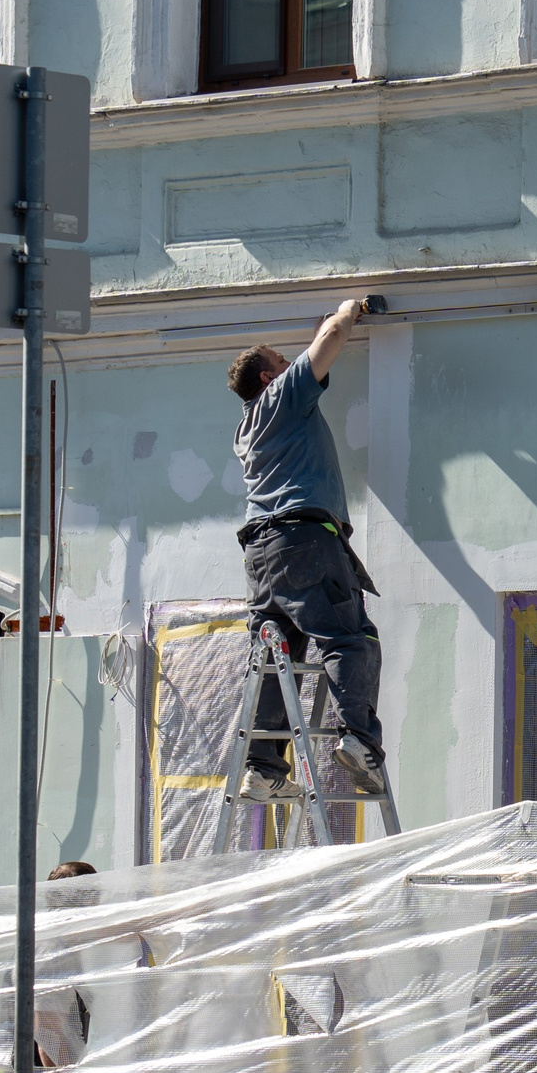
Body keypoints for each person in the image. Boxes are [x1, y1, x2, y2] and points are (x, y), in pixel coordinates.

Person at [225, 298, 385, 797]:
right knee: (349, 638)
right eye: (281, 361)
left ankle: (263, 766)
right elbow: (330, 341)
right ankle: (357, 739)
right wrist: (349, 309)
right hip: (305, 540)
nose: (291, 362)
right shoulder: (281, 400)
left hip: (261, 551)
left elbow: (313, 352)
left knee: (279, 653)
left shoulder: (248, 426)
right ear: (271, 379)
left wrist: (318, 336)